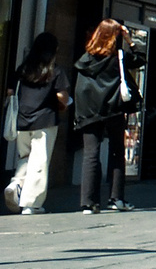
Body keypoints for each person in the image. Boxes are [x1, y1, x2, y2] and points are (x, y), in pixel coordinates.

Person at [74, 19, 145, 214]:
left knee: (91, 154)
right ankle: (116, 198)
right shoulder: (119, 57)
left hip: (89, 110)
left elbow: (80, 89)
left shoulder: (86, 58)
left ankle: (88, 202)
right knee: (116, 151)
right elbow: (140, 58)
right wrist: (130, 40)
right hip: (113, 108)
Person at [4, 32, 70, 215]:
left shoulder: (22, 69)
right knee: (39, 161)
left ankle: (16, 184)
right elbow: (62, 97)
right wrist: (62, 101)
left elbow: (10, 92)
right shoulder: (55, 71)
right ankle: (31, 203)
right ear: (54, 50)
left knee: (24, 158)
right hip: (45, 120)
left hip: (22, 120)